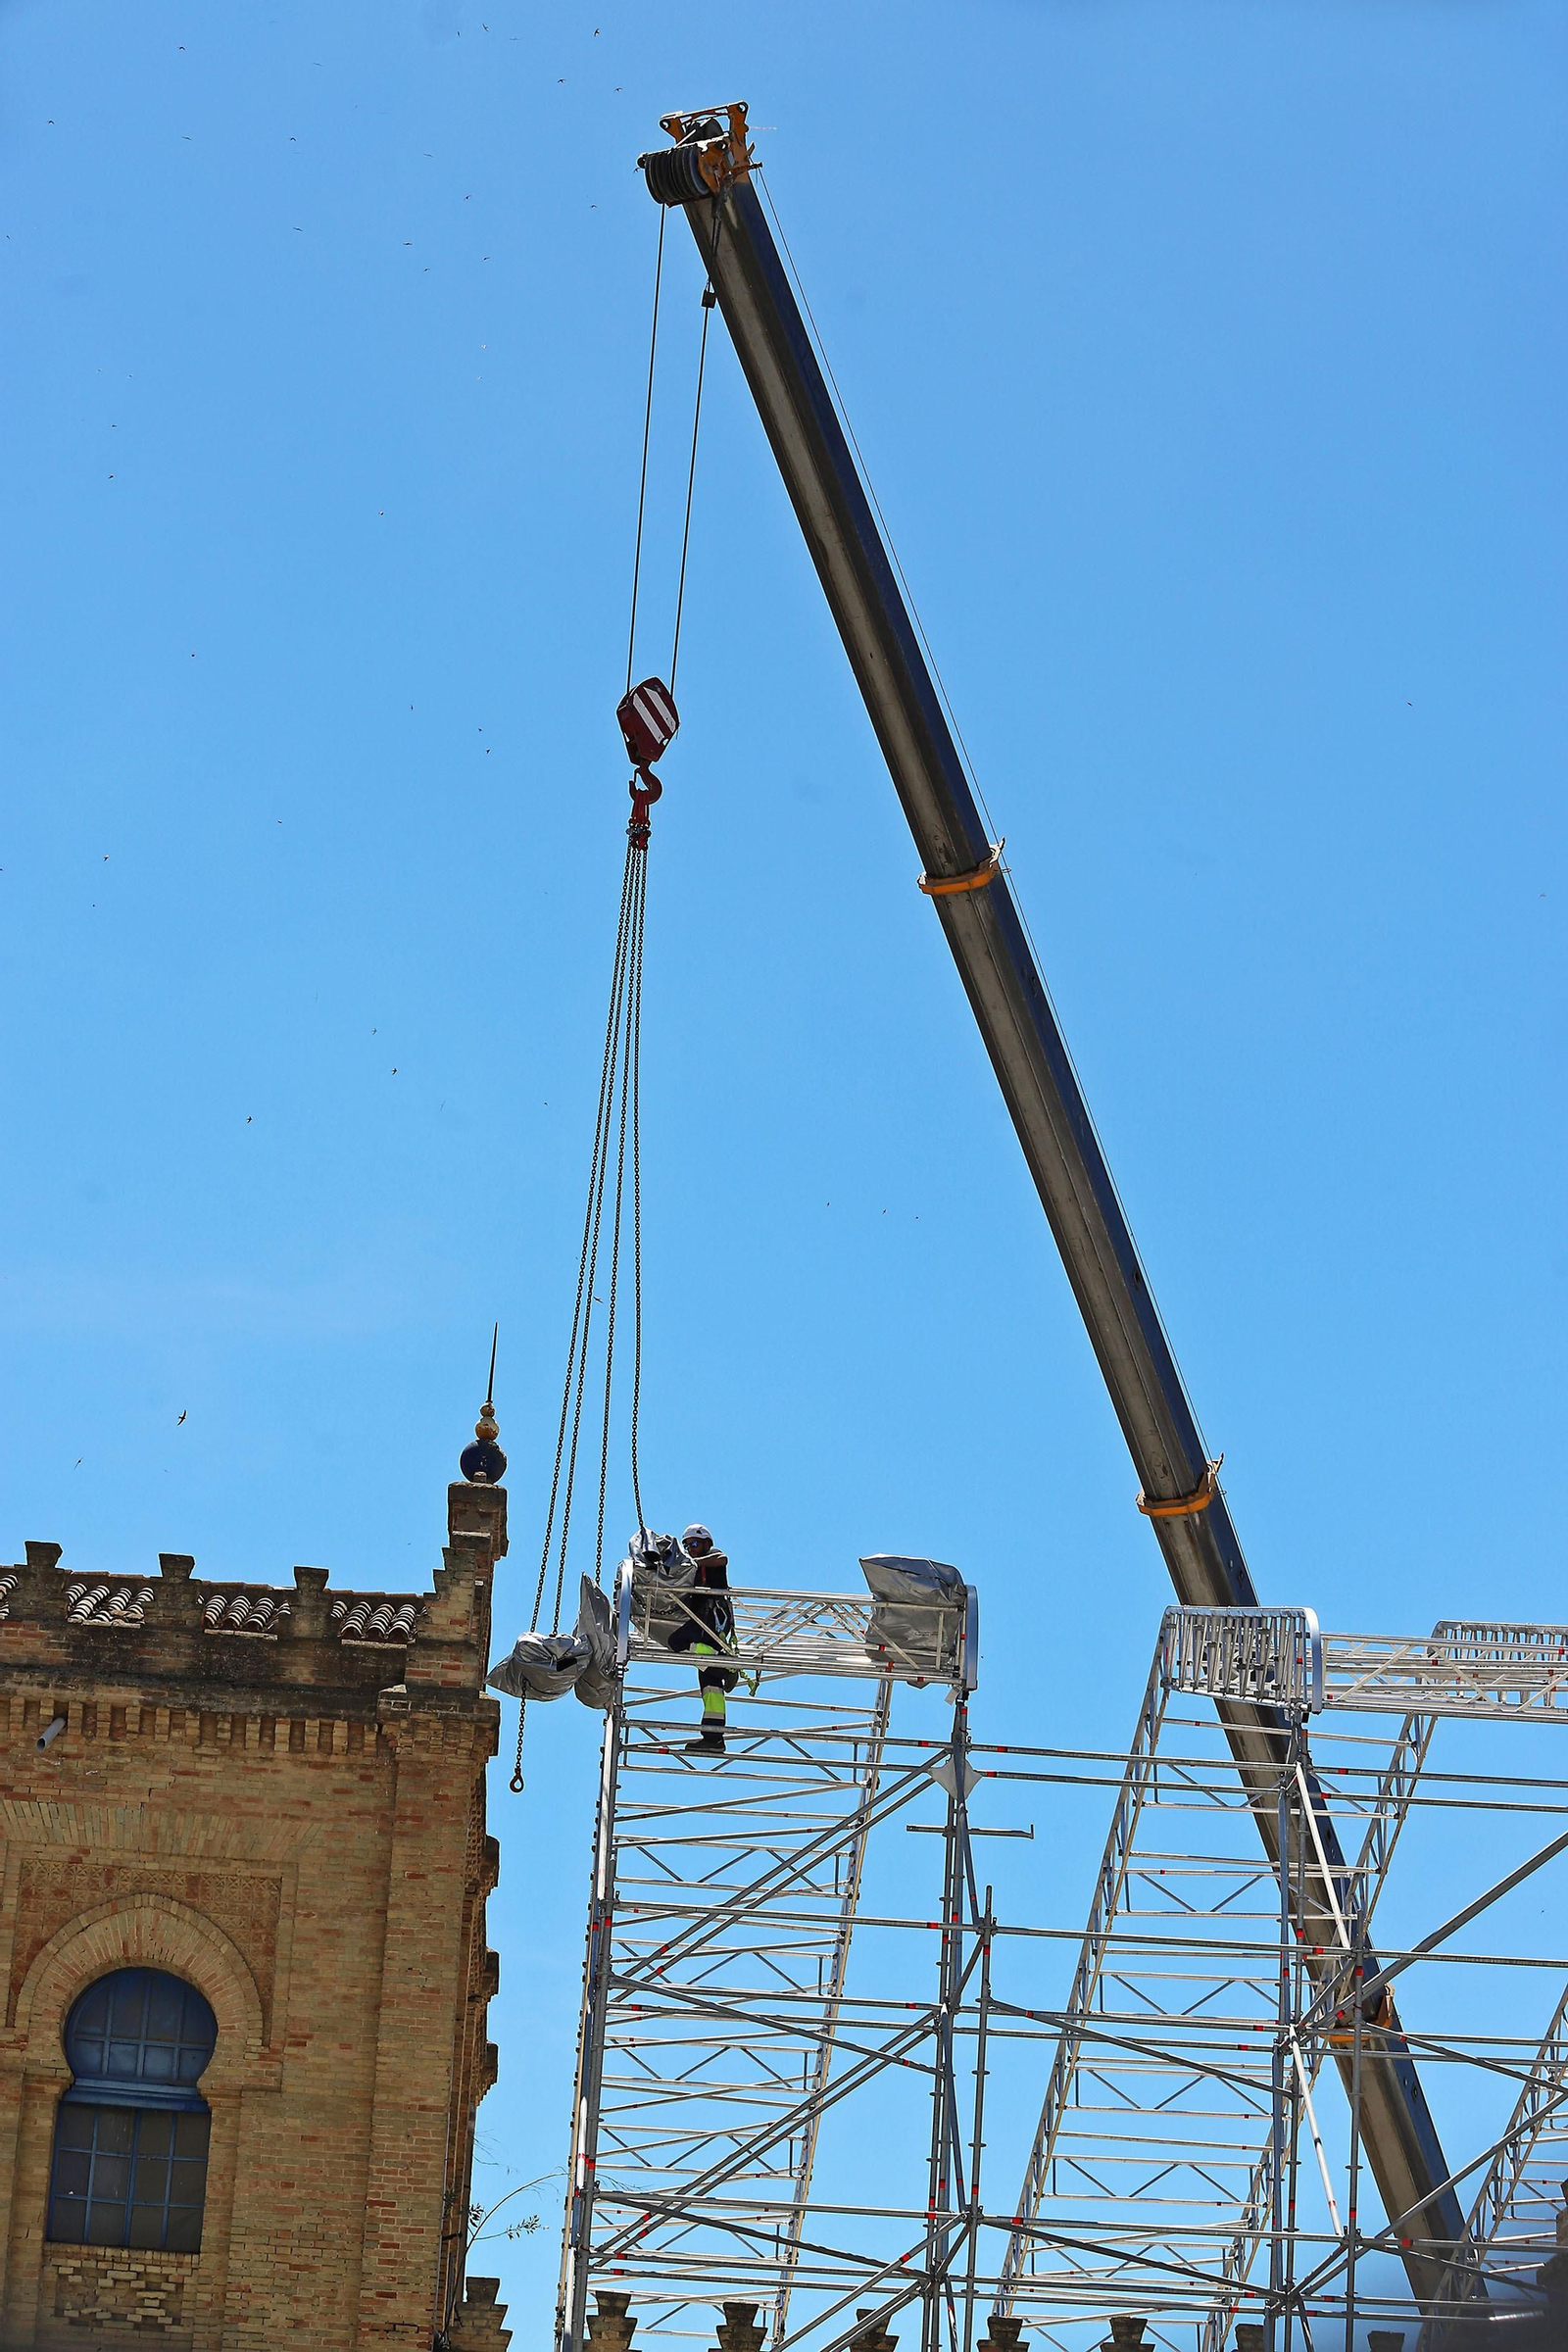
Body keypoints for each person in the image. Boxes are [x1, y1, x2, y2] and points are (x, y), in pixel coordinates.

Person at [666, 1523, 736, 1754]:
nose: (691, 1549)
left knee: (676, 1641)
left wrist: (694, 1562)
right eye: (687, 1546)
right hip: (703, 1624)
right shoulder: (691, 1567)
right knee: (710, 1687)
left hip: (711, 1623)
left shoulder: (712, 1556)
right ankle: (714, 1738)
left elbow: (722, 1559)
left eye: (694, 1544)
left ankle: (724, 1667)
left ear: (706, 1543)